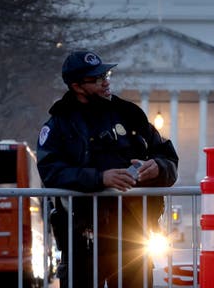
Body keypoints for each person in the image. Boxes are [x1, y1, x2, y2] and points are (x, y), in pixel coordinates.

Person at [37, 50, 179, 288]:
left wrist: (158, 168)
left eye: (106, 74)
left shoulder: (129, 114)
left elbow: (167, 156)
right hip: (82, 234)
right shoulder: (59, 124)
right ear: (77, 86)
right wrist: (100, 178)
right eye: (96, 78)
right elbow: (51, 171)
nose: (106, 81)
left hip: (133, 233)